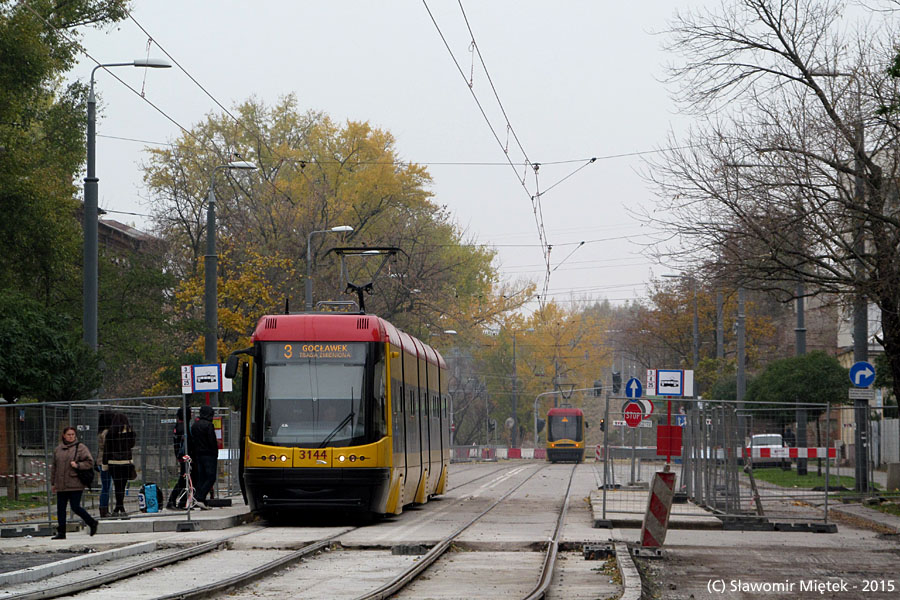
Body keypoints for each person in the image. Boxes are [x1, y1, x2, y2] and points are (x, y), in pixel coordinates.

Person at [50, 427, 99, 539]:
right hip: (61, 484)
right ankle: (61, 532)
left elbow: (90, 462)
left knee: (75, 507)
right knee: (60, 508)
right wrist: (53, 483)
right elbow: (54, 467)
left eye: (73, 434)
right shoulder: (58, 449)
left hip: (75, 483)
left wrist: (78, 465)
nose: (71, 436)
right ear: (64, 435)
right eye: (68, 434)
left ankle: (91, 522)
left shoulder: (81, 447)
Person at [104, 412, 136, 517]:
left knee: (117, 485)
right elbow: (131, 445)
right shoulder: (130, 432)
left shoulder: (110, 433)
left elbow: (106, 449)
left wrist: (105, 463)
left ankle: (118, 508)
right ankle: (120, 508)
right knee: (122, 486)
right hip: (126, 462)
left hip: (113, 463)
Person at [190, 405, 218, 507]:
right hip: (209, 455)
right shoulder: (208, 425)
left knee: (201, 477)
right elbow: (212, 441)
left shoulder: (194, 425)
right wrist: (215, 453)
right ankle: (200, 497)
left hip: (198, 455)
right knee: (211, 477)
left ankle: (197, 497)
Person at [166, 407, 192, 510]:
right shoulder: (183, 428)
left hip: (181, 456)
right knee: (183, 479)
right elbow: (187, 443)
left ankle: (183, 501)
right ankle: (172, 500)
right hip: (184, 457)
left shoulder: (178, 426)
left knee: (186, 479)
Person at [96, 411, 112, 518]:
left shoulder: (100, 432)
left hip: (101, 460)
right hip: (105, 461)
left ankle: (104, 508)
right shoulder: (106, 433)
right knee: (106, 487)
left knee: (106, 486)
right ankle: (104, 508)